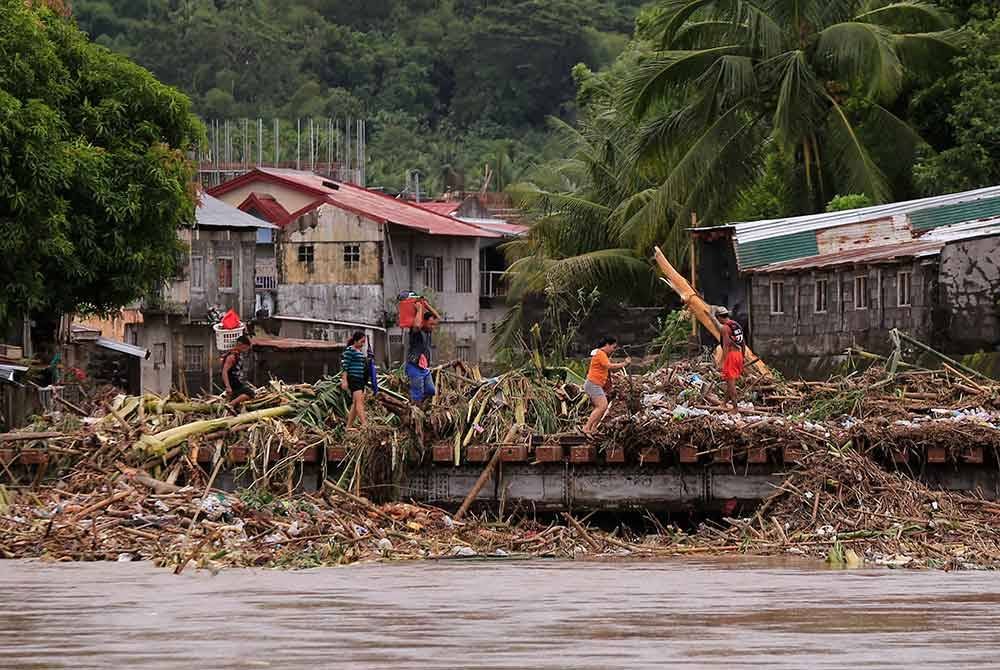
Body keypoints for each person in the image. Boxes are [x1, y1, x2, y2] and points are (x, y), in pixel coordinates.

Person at [582, 337, 631, 435]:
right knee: (602, 406)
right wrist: (624, 364)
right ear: (607, 345)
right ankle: (587, 427)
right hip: (593, 384)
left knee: (602, 407)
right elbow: (609, 366)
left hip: (595, 384)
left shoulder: (601, 354)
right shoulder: (600, 354)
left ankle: (593, 428)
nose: (614, 349)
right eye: (613, 347)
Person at [406, 305, 438, 405]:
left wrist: (426, 305)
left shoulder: (428, 331)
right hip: (415, 367)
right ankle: (415, 411)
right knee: (417, 395)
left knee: (431, 390)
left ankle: (419, 405)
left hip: (425, 369)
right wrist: (419, 309)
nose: (433, 327)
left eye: (434, 324)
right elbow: (416, 325)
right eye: (430, 324)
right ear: (423, 322)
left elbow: (438, 317)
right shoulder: (416, 331)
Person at [716, 307, 746, 412]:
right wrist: (743, 356)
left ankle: (735, 408)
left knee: (731, 382)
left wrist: (722, 361)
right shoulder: (736, 325)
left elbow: (726, 346)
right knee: (729, 381)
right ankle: (724, 403)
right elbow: (743, 342)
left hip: (731, 355)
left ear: (719, 317)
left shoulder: (725, 328)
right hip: (739, 354)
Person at [341, 331, 368, 429]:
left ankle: (348, 427)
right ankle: (365, 424)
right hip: (353, 379)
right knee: (359, 402)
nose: (363, 344)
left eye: (364, 342)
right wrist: (344, 381)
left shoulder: (359, 351)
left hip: (360, 379)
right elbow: (344, 367)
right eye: (361, 341)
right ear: (355, 340)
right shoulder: (350, 350)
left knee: (355, 403)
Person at [222, 335, 254, 411]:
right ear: (240, 345)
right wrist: (228, 386)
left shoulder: (238, 355)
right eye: (245, 348)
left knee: (235, 398)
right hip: (232, 382)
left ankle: (229, 407)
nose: (246, 350)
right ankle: (231, 404)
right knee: (251, 393)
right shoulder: (232, 356)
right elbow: (224, 371)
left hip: (235, 381)